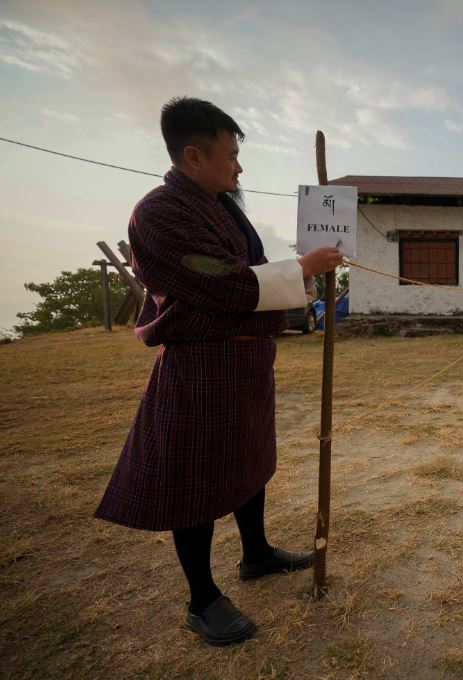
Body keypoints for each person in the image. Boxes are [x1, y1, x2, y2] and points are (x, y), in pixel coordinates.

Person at [95, 97, 343, 646]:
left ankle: (255, 554)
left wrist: (295, 269)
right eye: (231, 155)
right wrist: (301, 268)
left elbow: (247, 269)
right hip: (202, 365)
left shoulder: (221, 207)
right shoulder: (159, 214)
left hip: (246, 360)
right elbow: (224, 280)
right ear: (193, 155)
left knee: (250, 458)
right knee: (198, 477)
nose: (239, 166)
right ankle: (202, 598)